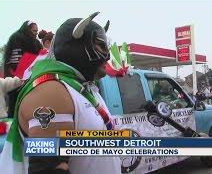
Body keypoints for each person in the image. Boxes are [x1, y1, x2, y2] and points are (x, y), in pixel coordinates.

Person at [0, 12, 121, 174]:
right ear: (75, 46)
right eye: (100, 45)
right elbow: (48, 168)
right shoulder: (51, 92)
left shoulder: (82, 88)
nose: (107, 55)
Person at [4, 21, 42, 118]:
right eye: (34, 31)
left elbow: (39, 56)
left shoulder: (36, 42)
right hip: (15, 75)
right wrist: (20, 74)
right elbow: (15, 61)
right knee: (15, 101)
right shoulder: (17, 38)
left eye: (37, 31)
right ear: (27, 29)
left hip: (30, 76)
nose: (36, 33)